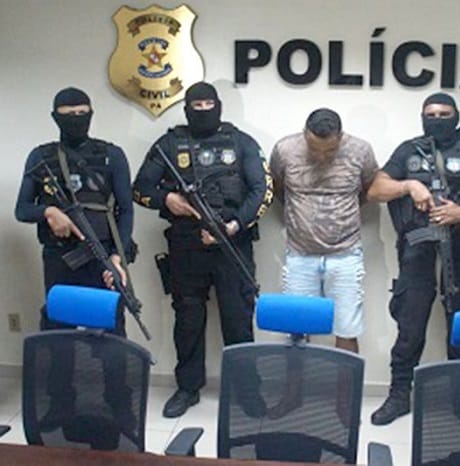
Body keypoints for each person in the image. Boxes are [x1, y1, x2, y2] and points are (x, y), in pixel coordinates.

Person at [366, 92, 460, 426]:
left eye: (444, 114)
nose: (437, 119)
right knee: (410, 326)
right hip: (417, 251)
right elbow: (375, 190)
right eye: (430, 114)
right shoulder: (408, 151)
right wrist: (408, 186)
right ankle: (399, 394)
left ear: (456, 116)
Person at [132, 81, 273, 418]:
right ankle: (188, 387)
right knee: (188, 319)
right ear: (187, 109)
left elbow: (262, 189)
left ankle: (246, 390)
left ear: (219, 106)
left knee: (238, 320)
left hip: (232, 244)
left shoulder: (241, 142)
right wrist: (167, 198)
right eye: (197, 106)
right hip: (186, 247)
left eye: (210, 104)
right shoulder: (170, 144)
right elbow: (140, 188)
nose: (204, 111)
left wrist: (233, 225)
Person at [15, 87, 134, 429]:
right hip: (60, 259)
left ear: (92, 114)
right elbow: (22, 209)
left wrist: (118, 257)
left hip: (103, 257)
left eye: (82, 114)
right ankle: (59, 403)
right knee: (58, 333)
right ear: (55, 118)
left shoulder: (112, 155)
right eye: (68, 116)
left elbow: (125, 210)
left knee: (112, 332)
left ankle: (120, 404)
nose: (76, 121)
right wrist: (49, 211)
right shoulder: (41, 157)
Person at [269, 108, 378, 353]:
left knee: (347, 328)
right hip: (300, 254)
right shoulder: (285, 150)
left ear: (341, 137)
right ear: (304, 134)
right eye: (314, 149)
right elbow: (276, 188)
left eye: (329, 151)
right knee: (296, 330)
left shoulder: (360, 150)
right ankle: (298, 380)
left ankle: (346, 381)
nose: (321, 157)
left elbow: (369, 190)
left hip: (346, 254)